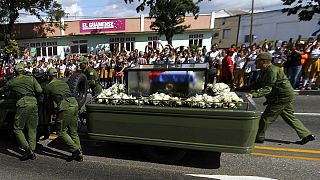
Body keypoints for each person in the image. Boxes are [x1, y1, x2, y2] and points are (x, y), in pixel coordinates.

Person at [247, 52, 315, 144]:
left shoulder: (272, 71)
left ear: (264, 62)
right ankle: (307, 135)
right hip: (283, 95)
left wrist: (253, 94)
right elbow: (258, 84)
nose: (255, 63)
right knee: (289, 116)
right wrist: (241, 89)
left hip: (281, 97)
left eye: (257, 61)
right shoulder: (265, 70)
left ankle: (259, 137)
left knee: (266, 118)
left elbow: (268, 88)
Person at [0, 63, 42, 161]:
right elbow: (39, 90)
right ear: (23, 70)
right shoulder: (31, 78)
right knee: (32, 128)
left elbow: (2, 90)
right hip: (34, 102)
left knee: (17, 128)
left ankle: (27, 149)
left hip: (23, 103)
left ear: (14, 72)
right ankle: (32, 151)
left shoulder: (12, 82)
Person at [44, 68, 83, 162]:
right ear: (56, 75)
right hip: (74, 103)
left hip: (65, 106)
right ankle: (79, 153)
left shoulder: (48, 86)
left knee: (61, 131)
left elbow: (47, 101)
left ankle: (75, 150)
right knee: (73, 131)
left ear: (48, 77)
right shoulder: (63, 83)